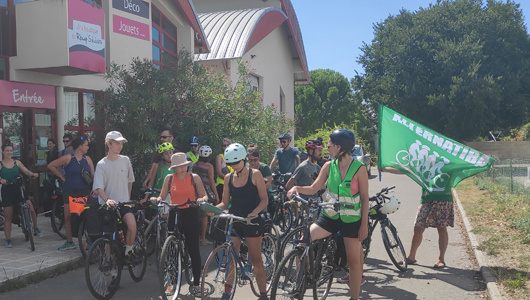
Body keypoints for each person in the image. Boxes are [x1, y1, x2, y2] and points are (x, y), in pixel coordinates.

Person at [287, 129, 369, 300]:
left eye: (330, 144)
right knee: (303, 241)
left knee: (354, 264)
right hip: (329, 216)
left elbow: (364, 198)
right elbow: (314, 188)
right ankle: (302, 281)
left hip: (351, 220)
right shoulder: (327, 165)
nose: (327, 147)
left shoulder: (359, 168)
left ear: (339, 147)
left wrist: (364, 225)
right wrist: (296, 188)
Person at [151, 152, 208, 297]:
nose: (182, 169)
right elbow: (162, 196)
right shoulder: (169, 179)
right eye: (179, 166)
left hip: (190, 212)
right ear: (174, 167)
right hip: (175, 212)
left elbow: (204, 195)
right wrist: (156, 199)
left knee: (193, 248)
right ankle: (172, 280)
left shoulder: (194, 178)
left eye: (184, 166)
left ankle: (196, 282)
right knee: (171, 247)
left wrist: (201, 200)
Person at [216, 143, 269, 300]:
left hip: (252, 221)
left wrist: (255, 212)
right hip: (236, 220)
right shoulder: (228, 178)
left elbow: (264, 200)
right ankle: (227, 293)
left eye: (236, 162)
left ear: (244, 159)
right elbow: (224, 203)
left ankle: (264, 294)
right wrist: (212, 209)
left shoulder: (256, 174)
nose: (234, 167)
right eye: (230, 164)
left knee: (256, 259)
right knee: (231, 257)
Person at [383, 165, 454, 269]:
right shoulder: (425, 162)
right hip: (427, 199)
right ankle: (411, 257)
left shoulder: (447, 161)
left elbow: (462, 167)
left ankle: (441, 259)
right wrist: (385, 169)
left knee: (441, 228)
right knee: (418, 227)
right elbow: (406, 170)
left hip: (443, 199)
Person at [92, 131, 137, 261]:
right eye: (117, 143)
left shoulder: (125, 160)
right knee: (109, 238)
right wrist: (107, 200)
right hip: (108, 206)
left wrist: (128, 199)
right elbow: (98, 187)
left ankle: (129, 251)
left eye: (121, 143)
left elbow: (130, 181)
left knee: (132, 224)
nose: (120, 146)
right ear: (108, 144)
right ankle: (110, 267)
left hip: (123, 203)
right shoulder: (101, 165)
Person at [48, 136, 95, 250]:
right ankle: (69, 242)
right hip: (69, 191)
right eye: (86, 145)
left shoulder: (87, 159)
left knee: (88, 217)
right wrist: (62, 177)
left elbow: (94, 176)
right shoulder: (68, 158)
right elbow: (51, 165)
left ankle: (89, 241)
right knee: (68, 217)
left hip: (84, 191)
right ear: (80, 146)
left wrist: (95, 188)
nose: (88, 147)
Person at [0, 143, 42, 248]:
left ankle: (36, 228)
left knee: (31, 209)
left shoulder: (17, 162)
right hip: (7, 190)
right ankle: (8, 239)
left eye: (11, 150)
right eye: (7, 150)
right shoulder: (1, 164)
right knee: (8, 217)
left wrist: (32, 174)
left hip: (18, 188)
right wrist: (1, 180)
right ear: (3, 152)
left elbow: (26, 171)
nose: (9, 152)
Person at [191, 145, 219, 245]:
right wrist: (216, 195)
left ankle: (195, 237)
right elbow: (211, 182)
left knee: (196, 215)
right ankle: (202, 238)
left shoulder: (194, 164)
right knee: (204, 215)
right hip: (205, 192)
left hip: (194, 191)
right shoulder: (209, 166)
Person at [215, 138, 233, 203]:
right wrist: (230, 179)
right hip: (222, 184)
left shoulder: (234, 157)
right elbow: (219, 173)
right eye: (224, 145)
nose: (226, 147)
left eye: (227, 145)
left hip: (233, 185)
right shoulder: (219, 157)